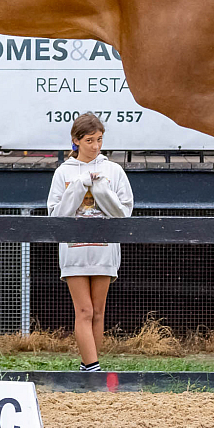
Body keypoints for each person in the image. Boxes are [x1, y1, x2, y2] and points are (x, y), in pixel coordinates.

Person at [47, 113, 134, 374]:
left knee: (97, 312)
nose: (95, 146)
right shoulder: (63, 171)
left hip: (104, 250)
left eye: (99, 140)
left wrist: (101, 190)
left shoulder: (113, 170)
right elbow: (56, 216)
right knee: (83, 310)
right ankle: (94, 370)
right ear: (76, 141)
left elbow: (123, 214)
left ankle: (90, 369)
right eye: (89, 140)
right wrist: (77, 187)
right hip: (75, 251)